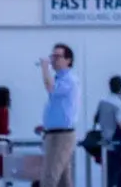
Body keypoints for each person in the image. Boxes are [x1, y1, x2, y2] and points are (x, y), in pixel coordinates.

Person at [39, 44, 79, 187]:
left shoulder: (69, 80)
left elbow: (50, 88)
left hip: (62, 136)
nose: (54, 60)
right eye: (53, 56)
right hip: (54, 133)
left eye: (58, 56)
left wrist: (44, 69)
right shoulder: (59, 79)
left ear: (68, 60)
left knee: (49, 177)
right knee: (63, 180)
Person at [93, 77, 121, 187]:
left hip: (104, 144)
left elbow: (96, 119)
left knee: (109, 178)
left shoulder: (102, 102)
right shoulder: (119, 104)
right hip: (116, 146)